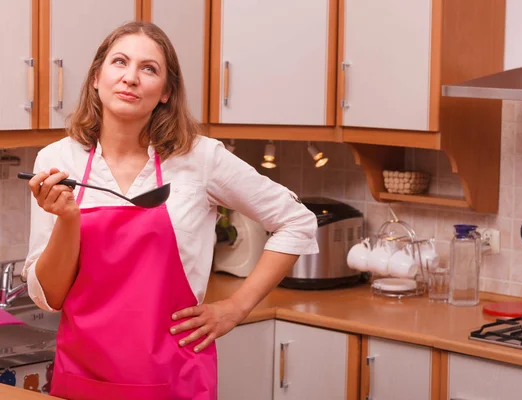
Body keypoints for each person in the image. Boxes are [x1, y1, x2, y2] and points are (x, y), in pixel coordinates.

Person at [23, 21, 318, 400]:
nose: (131, 78)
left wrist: (235, 307)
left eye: (149, 69)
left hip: (176, 377)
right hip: (82, 378)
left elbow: (297, 221)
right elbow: (50, 296)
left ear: (165, 93)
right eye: (120, 62)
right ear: (96, 77)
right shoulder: (58, 161)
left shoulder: (201, 158)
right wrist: (67, 219)